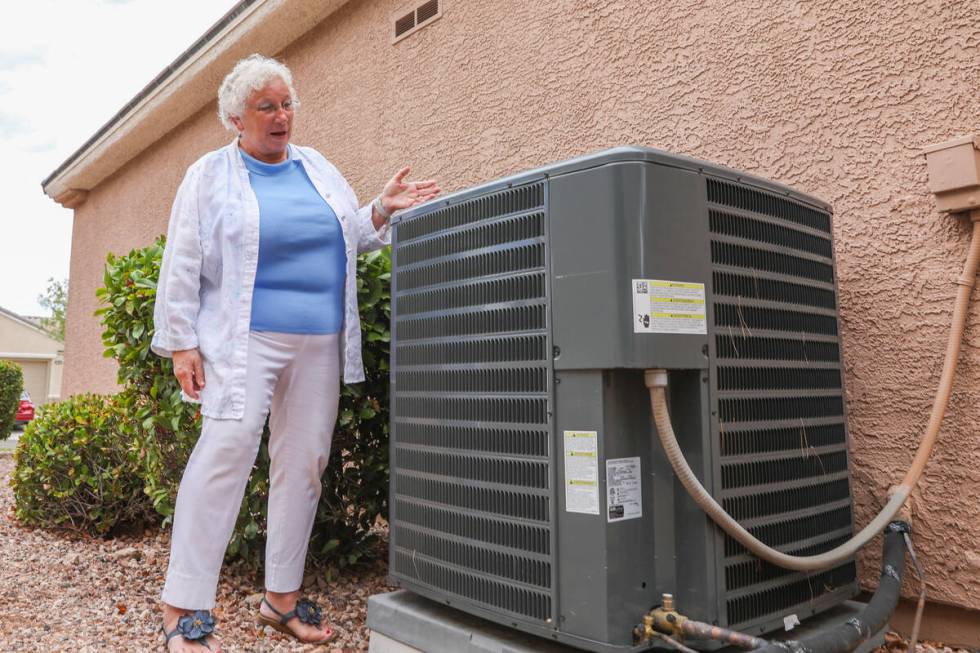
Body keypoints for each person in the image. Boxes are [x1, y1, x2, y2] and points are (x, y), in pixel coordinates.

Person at [150, 53, 439, 652]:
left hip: (320, 341)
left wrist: (380, 209)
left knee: (304, 462)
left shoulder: (318, 168)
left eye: (287, 104)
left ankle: (279, 599)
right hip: (244, 340)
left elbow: (348, 238)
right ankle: (183, 606)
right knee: (225, 454)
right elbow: (181, 260)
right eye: (267, 107)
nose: (282, 116)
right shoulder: (209, 176)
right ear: (236, 118)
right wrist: (181, 341)